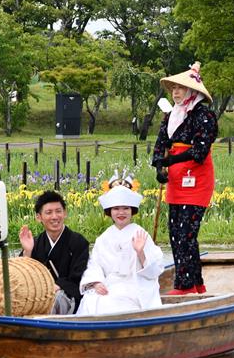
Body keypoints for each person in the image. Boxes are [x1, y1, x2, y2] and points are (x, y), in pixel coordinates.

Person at [152, 61, 218, 295]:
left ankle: (185, 285)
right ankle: (197, 284)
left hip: (197, 179)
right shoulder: (171, 115)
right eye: (173, 88)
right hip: (176, 179)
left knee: (186, 233)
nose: (176, 92)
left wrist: (171, 161)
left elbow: (200, 152)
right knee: (176, 233)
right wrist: (160, 166)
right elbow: (161, 144)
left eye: (180, 88)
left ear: (192, 91)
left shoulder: (204, 115)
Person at [76, 175, 164, 316]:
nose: (121, 213)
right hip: (109, 284)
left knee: (118, 303)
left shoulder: (140, 234)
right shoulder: (103, 238)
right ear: (110, 211)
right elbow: (94, 265)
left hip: (134, 284)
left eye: (125, 208)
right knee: (91, 300)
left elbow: (155, 270)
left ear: (132, 210)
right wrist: (96, 283)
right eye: (116, 208)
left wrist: (140, 252)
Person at [18, 190, 90, 314]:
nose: (55, 217)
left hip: (68, 297)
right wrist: (27, 251)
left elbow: (79, 276)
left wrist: (56, 286)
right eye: (49, 212)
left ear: (65, 213)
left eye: (58, 211)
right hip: (39, 296)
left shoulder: (78, 241)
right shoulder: (35, 243)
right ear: (38, 217)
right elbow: (22, 276)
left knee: (56, 299)